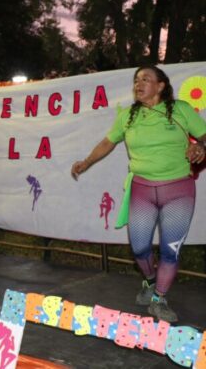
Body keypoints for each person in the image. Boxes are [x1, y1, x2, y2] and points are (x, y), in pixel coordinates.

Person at [71, 65, 206, 323]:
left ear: (161, 86)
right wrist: (86, 162)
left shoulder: (181, 110)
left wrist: (200, 145)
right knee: (140, 246)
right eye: (136, 80)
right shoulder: (128, 116)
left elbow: (205, 136)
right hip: (142, 190)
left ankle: (159, 299)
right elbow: (108, 142)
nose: (138, 84)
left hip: (178, 190)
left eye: (145, 79)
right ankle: (151, 281)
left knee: (170, 249)